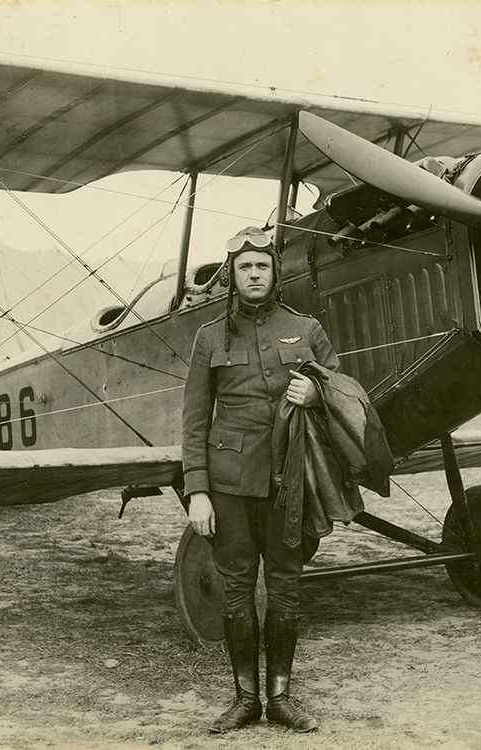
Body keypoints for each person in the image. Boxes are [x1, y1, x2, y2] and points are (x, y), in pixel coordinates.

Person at [181, 225, 339, 734]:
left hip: (289, 481)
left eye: (262, 266)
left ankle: (281, 699)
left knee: (287, 588)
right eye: (245, 267)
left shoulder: (306, 329)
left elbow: (340, 390)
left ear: (276, 273)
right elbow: (193, 420)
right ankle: (245, 699)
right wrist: (197, 490)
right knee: (235, 590)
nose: (254, 274)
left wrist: (316, 396)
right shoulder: (209, 338)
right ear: (233, 276)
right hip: (228, 485)